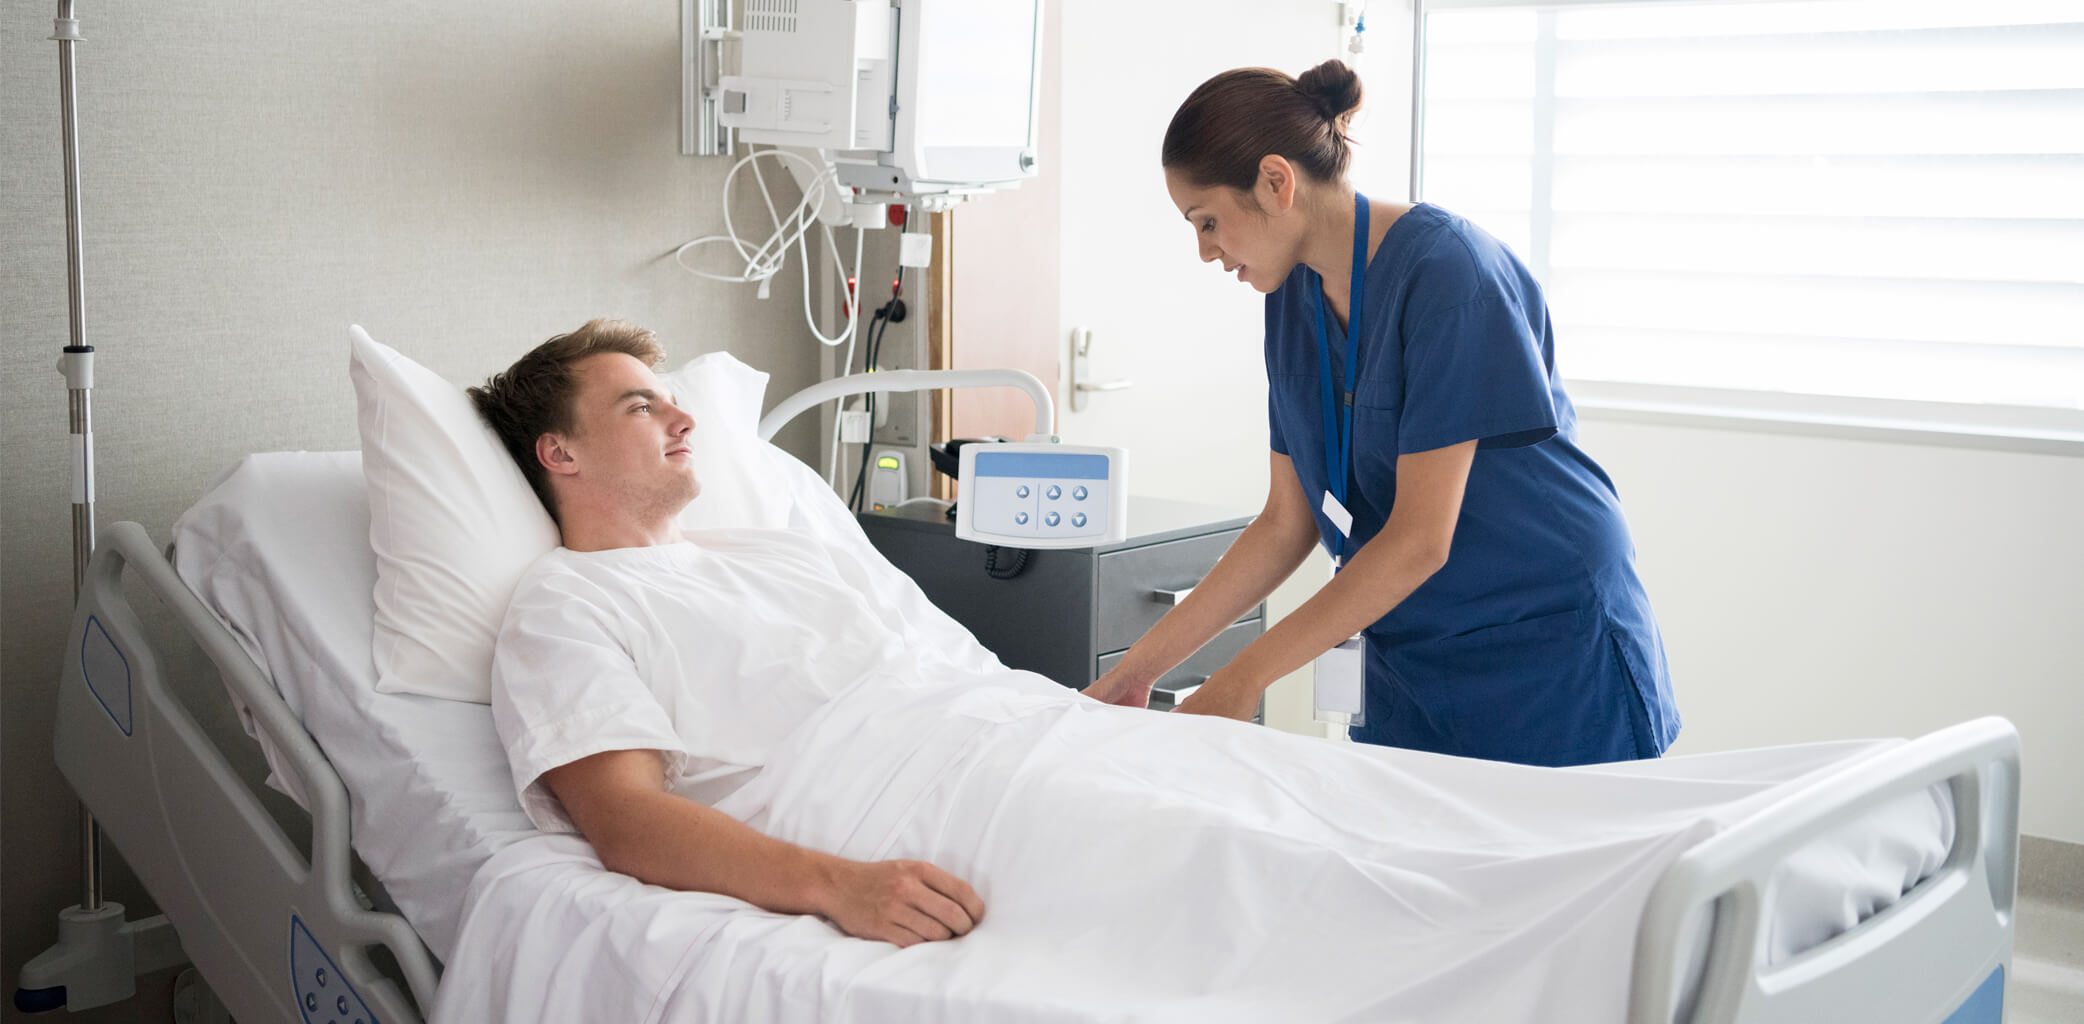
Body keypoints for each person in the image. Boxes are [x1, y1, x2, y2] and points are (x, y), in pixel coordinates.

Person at [1082, 60, 1682, 768]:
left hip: (1545, 644)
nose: (1205, 250)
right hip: (1413, 654)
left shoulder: (1450, 275)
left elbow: (1420, 540)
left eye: (1208, 221)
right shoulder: (1291, 300)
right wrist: (1134, 673)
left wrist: (1243, 679)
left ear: (1277, 182)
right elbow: (1286, 520)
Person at [468, 319, 987, 948]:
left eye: (674, 403)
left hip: (990, 750)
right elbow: (626, 820)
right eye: (641, 407)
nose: (684, 421)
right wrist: (838, 885)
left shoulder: (782, 552)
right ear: (560, 453)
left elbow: (947, 673)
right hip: (906, 810)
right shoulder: (566, 606)